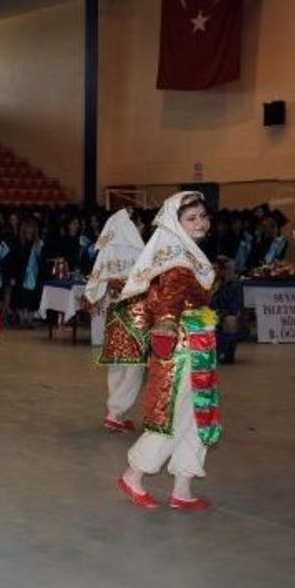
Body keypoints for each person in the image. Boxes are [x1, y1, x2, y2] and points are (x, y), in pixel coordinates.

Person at [116, 191, 220, 511]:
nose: (200, 223)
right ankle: (133, 475)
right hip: (183, 349)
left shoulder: (186, 254)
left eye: (203, 216)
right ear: (176, 224)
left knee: (196, 414)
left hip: (198, 343)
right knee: (176, 414)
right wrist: (165, 331)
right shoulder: (177, 261)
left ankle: (182, 488)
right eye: (191, 218)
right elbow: (167, 305)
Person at [83, 209, 147, 433]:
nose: (142, 227)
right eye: (139, 223)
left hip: (115, 310)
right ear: (131, 226)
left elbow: (95, 282)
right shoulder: (141, 251)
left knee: (118, 362)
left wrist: (101, 291)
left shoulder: (107, 251)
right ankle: (115, 412)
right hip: (136, 311)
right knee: (135, 365)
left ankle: (116, 414)